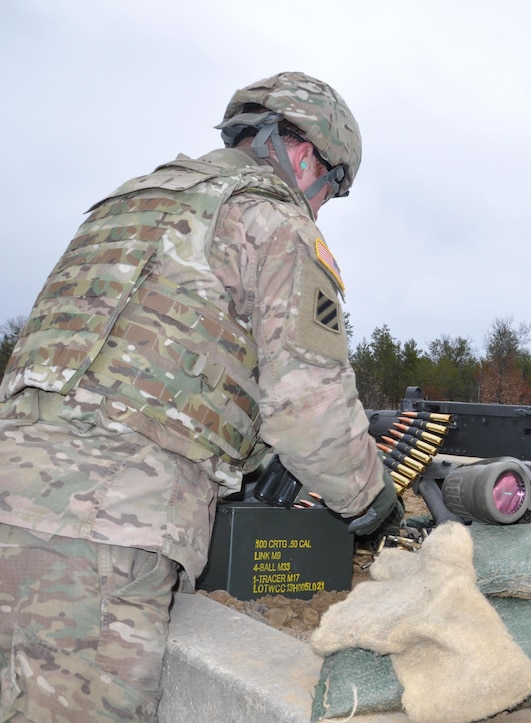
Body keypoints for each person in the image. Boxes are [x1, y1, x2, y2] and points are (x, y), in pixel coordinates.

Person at [0, 72, 397, 721]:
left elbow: (120, 354)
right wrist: (372, 501)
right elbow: (308, 408)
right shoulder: (272, 218)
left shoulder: (130, 199)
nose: (321, 207)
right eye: (331, 188)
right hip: (106, 522)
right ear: (305, 155)